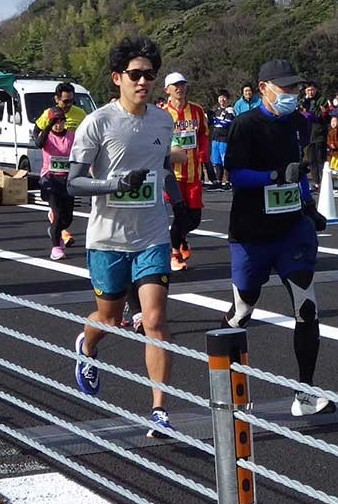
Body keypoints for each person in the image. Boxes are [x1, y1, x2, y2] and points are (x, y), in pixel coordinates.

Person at [67, 36, 191, 438]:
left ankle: (159, 410)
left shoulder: (162, 120)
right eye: (135, 75)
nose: (143, 82)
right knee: (109, 318)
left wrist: (178, 204)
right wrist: (114, 184)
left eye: (149, 75)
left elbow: (161, 169)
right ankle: (87, 347)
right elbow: (73, 183)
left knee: (154, 319)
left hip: (151, 234)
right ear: (117, 78)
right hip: (107, 238)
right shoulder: (97, 122)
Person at [224, 59, 333, 417]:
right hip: (252, 231)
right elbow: (235, 176)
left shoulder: (299, 123)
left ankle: (305, 392)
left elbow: (297, 168)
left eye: (295, 88)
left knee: (307, 308)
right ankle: (223, 386)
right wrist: (273, 176)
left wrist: (308, 203)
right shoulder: (245, 124)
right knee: (244, 309)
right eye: (284, 88)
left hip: (291, 230)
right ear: (263, 88)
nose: (291, 94)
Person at [162, 72, 210, 271]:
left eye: (182, 84)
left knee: (195, 219)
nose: (179, 88)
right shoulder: (162, 114)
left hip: (193, 173)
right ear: (167, 90)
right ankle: (174, 254)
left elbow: (204, 135)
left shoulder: (197, 111)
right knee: (180, 215)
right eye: (175, 86)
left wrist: (203, 155)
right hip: (172, 175)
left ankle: (181, 238)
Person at [35, 108, 75, 260]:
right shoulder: (46, 136)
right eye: (55, 122)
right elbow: (39, 144)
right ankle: (56, 248)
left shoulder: (71, 136)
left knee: (67, 218)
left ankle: (55, 229)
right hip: (50, 178)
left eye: (61, 121)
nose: (58, 125)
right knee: (58, 214)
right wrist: (47, 126)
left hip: (67, 178)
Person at [208, 90, 235, 190]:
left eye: (224, 98)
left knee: (225, 161)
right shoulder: (217, 110)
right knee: (216, 161)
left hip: (224, 138)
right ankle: (218, 181)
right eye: (220, 97)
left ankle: (229, 182)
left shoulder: (230, 110)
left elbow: (226, 123)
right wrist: (215, 119)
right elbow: (212, 122)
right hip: (215, 138)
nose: (222, 100)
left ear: (227, 99)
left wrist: (216, 120)